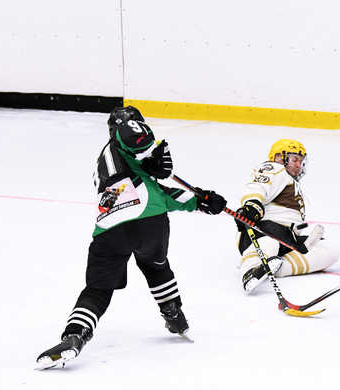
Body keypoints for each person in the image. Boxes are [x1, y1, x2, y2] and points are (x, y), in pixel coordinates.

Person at [36, 106, 227, 369]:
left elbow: (136, 187)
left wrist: (197, 196)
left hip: (109, 226)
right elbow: (157, 190)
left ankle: (75, 335)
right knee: (155, 265)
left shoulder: (103, 161)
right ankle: (173, 312)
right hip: (150, 222)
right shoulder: (126, 134)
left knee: (97, 289)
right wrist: (199, 201)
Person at [235, 138, 339, 293]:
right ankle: (250, 271)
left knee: (329, 251)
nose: (298, 164)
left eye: (301, 161)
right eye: (294, 159)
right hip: (262, 230)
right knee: (270, 242)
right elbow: (258, 185)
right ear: (278, 157)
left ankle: (274, 267)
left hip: (288, 237)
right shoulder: (274, 168)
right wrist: (251, 205)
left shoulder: (291, 182)